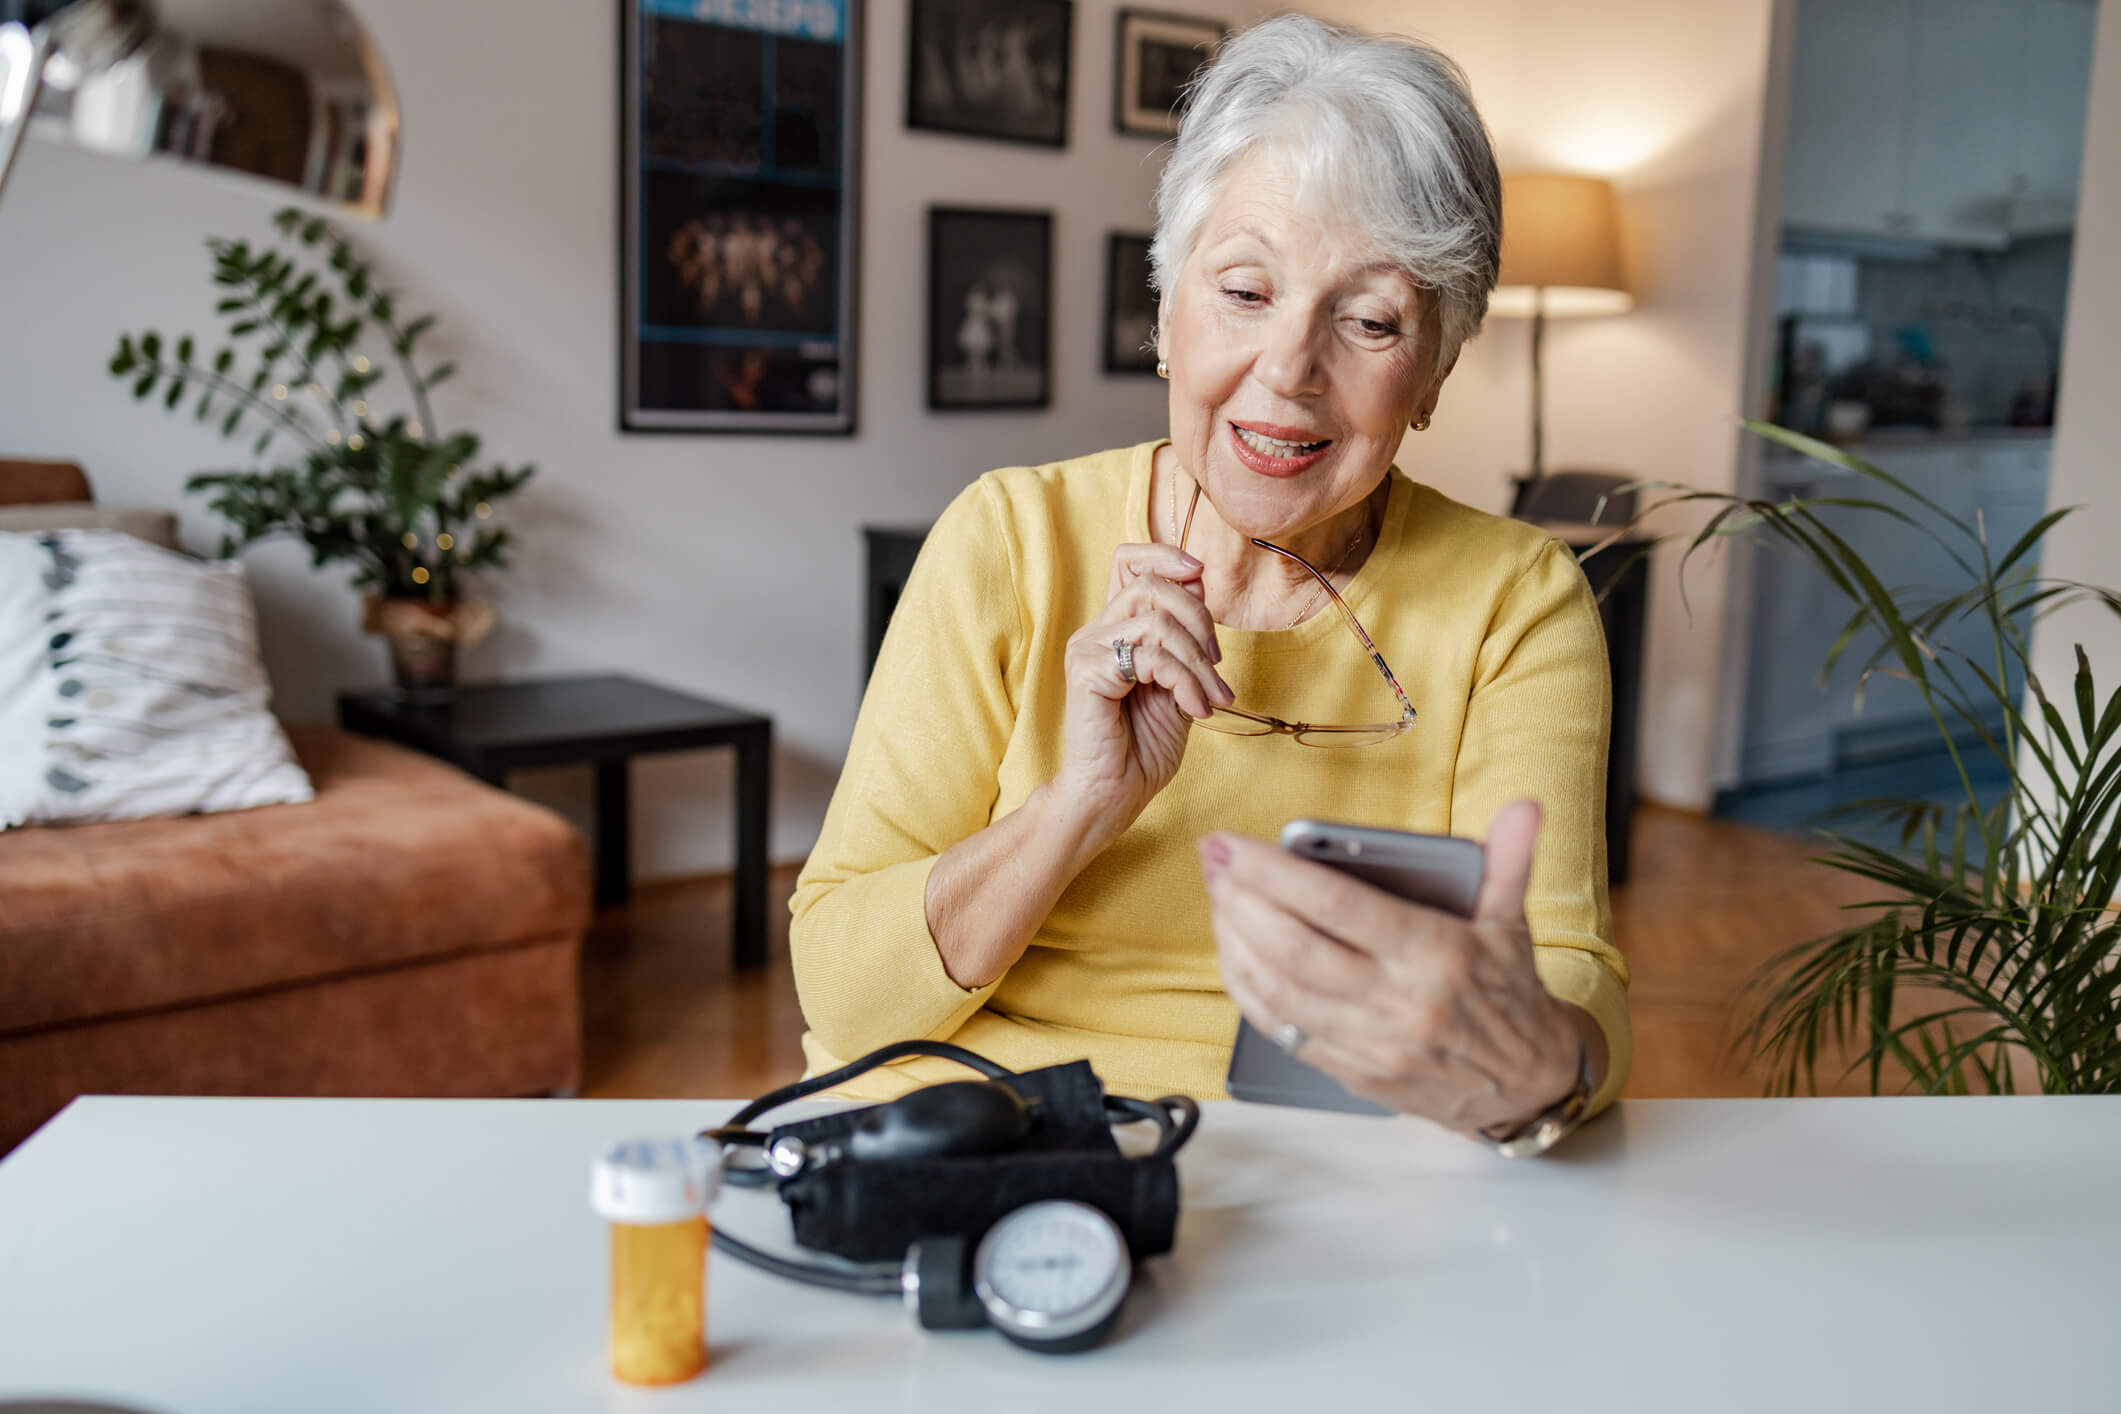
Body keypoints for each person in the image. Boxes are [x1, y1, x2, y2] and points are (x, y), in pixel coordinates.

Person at [791, 14, 1630, 1145]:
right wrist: (1075, 807)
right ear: (1166, 316)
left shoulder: (1515, 605)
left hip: (1333, 1182)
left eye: (1370, 319)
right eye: (1245, 291)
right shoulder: (1008, 537)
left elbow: (1572, 1002)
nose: (1288, 370)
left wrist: (1534, 1053)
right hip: (977, 1145)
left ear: (1433, 372)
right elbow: (843, 992)